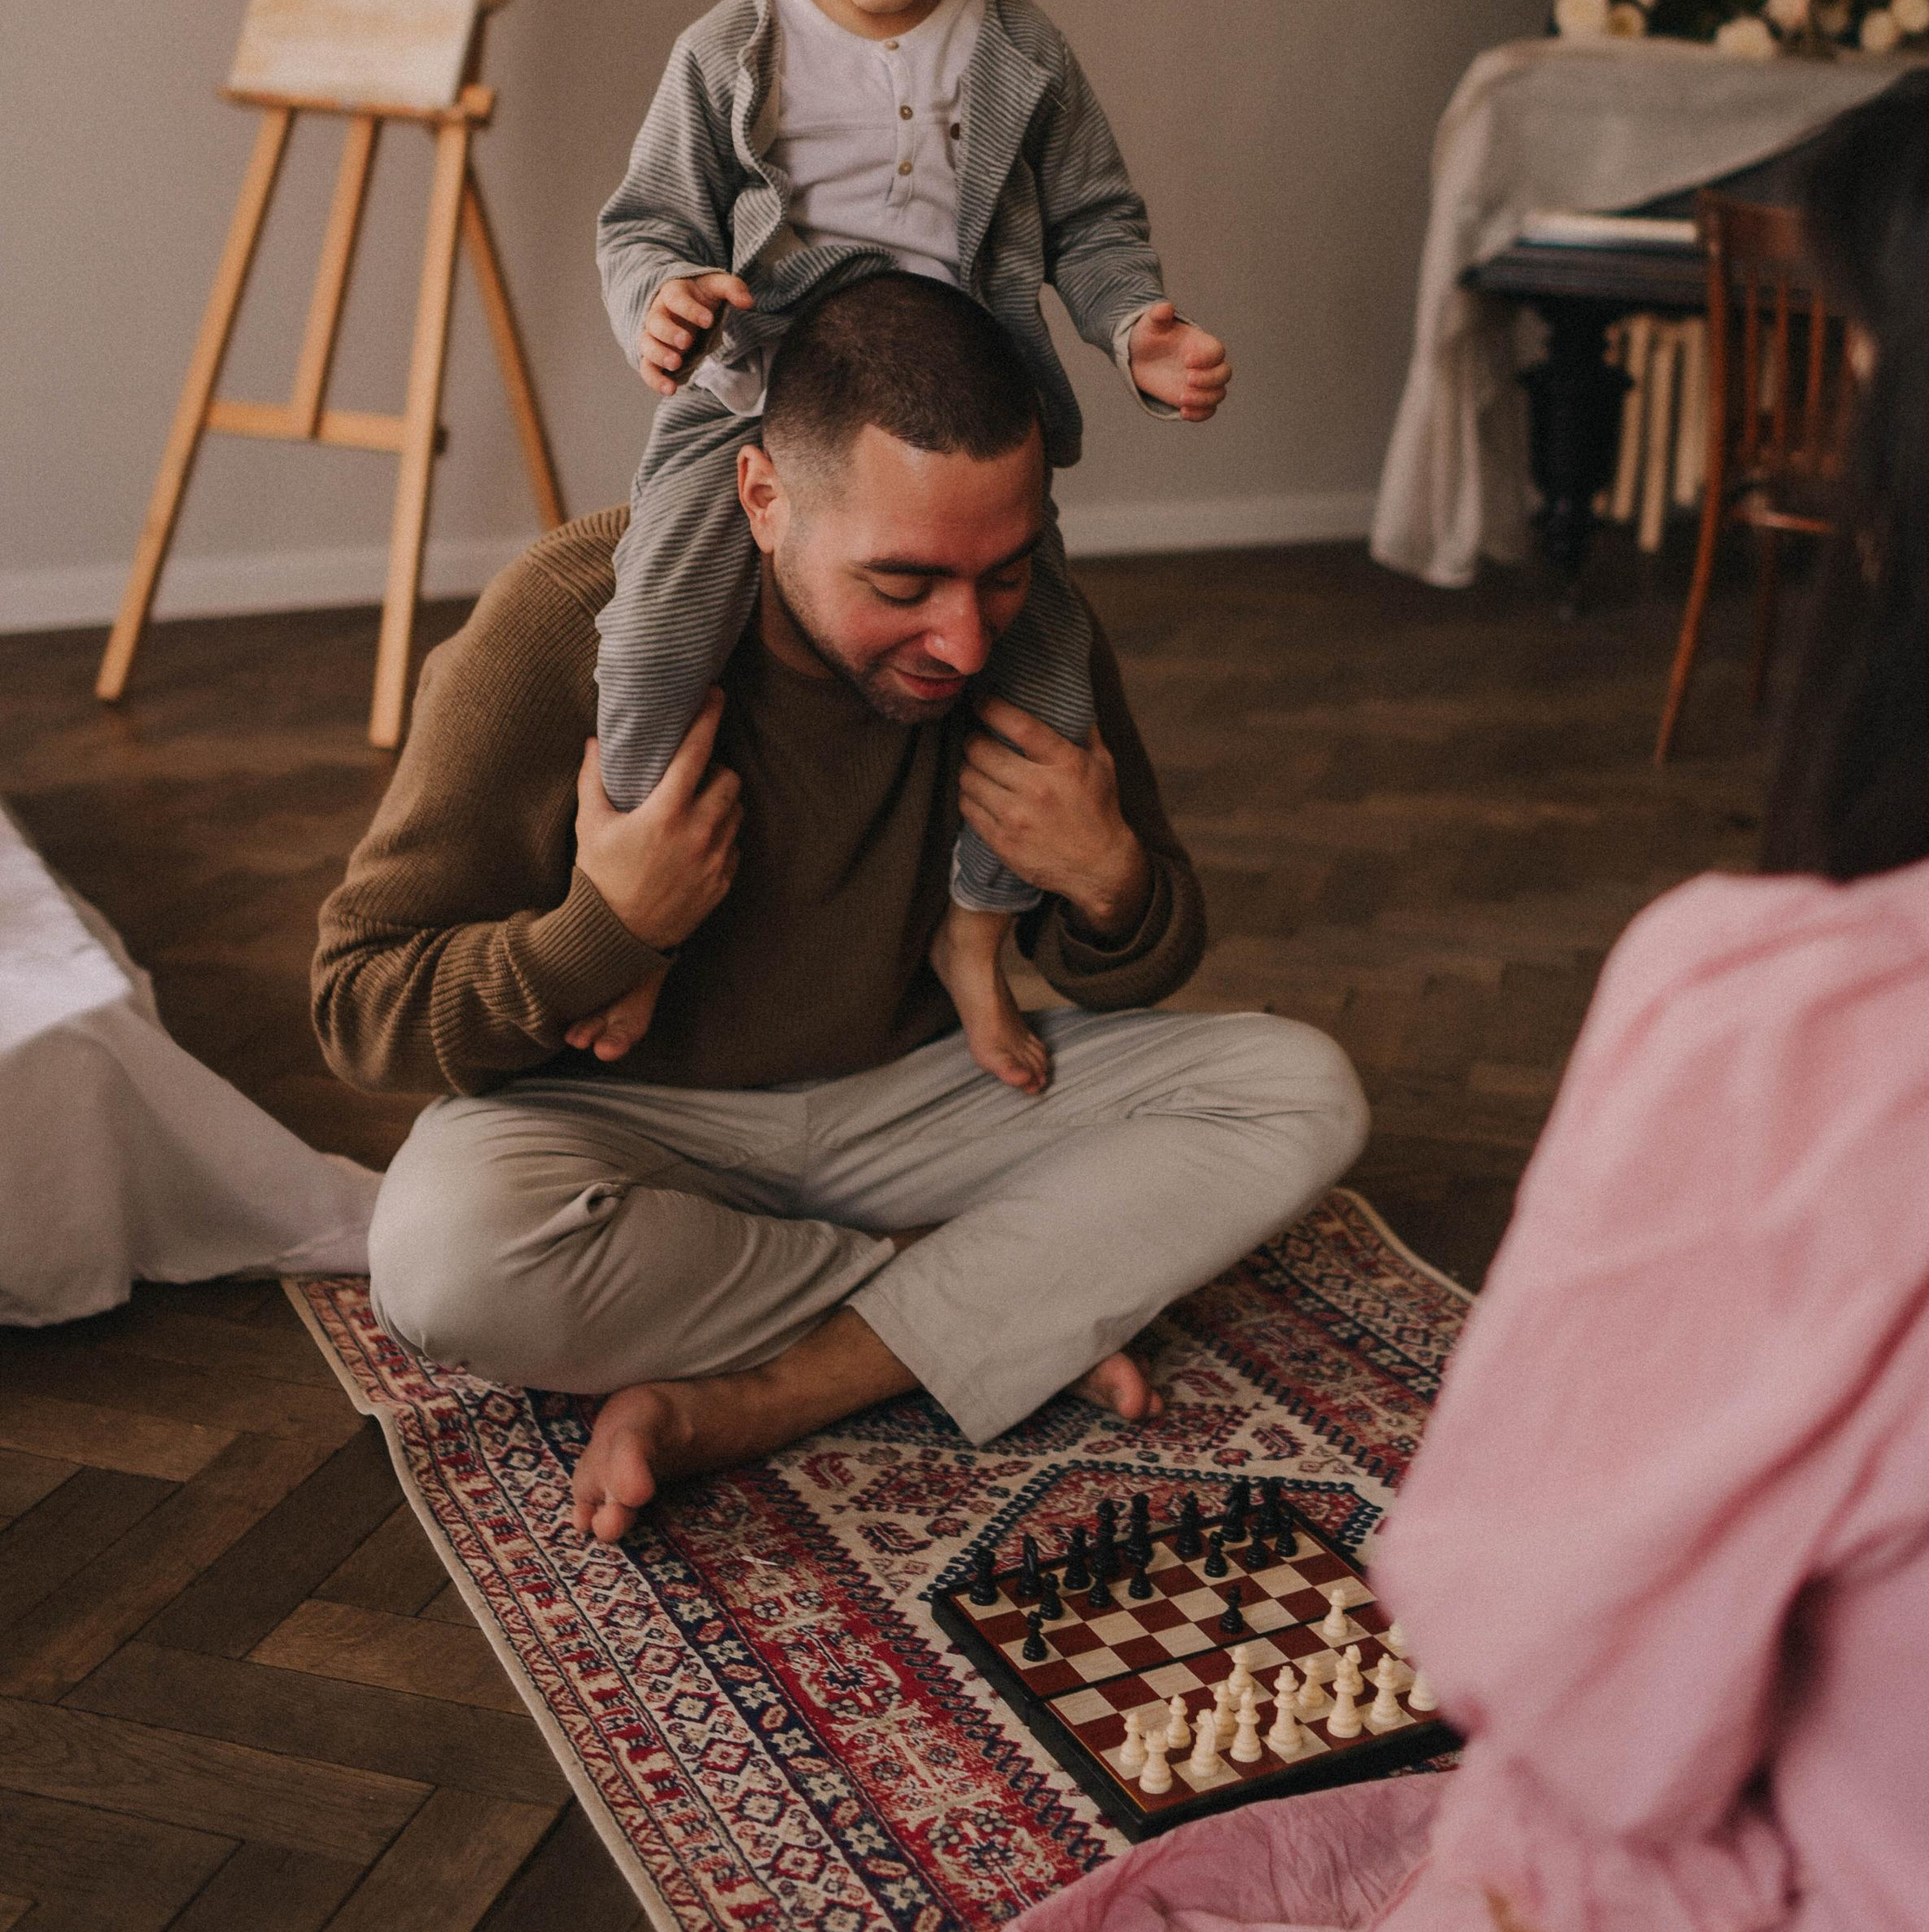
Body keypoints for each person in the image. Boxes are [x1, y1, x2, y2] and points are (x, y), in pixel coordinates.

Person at [893, 17, 1929, 1932]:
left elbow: (1574, 1878)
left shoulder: (1852, 1015)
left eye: (1883, 378)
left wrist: (1108, 875)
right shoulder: (606, 632)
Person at [314, 275, 1366, 1548]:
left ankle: (755, 1399)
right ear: (764, 498)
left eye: (1003, 573)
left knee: (1299, 1088)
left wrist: (1111, 878)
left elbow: (1141, 955)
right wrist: (606, 927)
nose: (965, 641)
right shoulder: (570, 618)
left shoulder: (1032, 637)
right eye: (905, 581)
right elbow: (359, 1006)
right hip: (631, 1118)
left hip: (916, 1095)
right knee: (439, 1258)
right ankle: (989, 1298)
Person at [594, 0, 1231, 1097]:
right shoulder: (728, 52)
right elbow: (646, 223)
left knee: (1053, 668)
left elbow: (1094, 221)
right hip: (763, 397)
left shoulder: (1016, 48)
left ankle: (971, 929)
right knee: (651, 633)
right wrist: (667, 299)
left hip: (962, 418)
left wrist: (1138, 328)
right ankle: (634, 920)